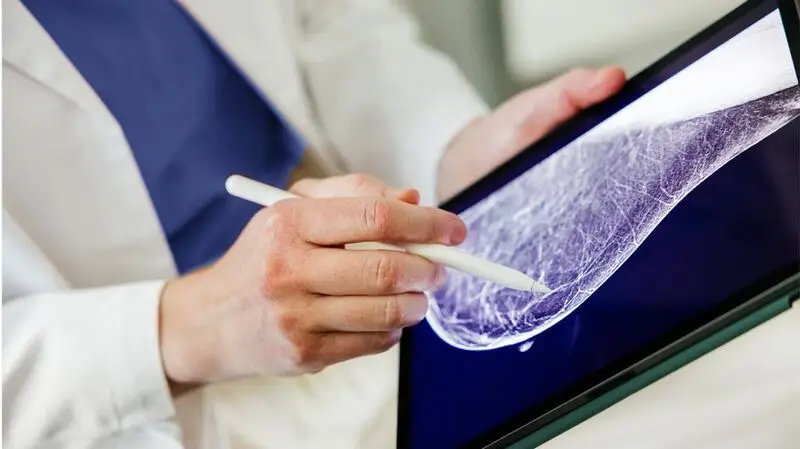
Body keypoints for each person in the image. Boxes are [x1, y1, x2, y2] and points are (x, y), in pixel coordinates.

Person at [2, 0, 625, 447]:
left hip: (363, 327)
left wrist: (453, 152)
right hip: (134, 409)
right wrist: (186, 327)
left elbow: (328, 20)